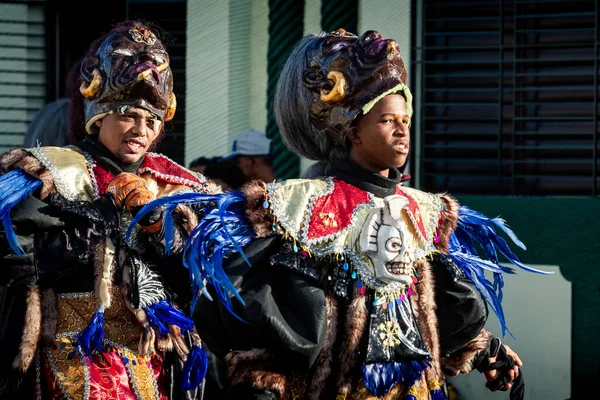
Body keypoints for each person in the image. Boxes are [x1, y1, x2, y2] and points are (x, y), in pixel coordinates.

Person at [136, 29, 551, 399]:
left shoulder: (423, 211)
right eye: (388, 120)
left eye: (405, 119)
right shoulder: (295, 209)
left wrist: (486, 350)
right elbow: (262, 311)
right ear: (352, 130)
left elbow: (443, 302)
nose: (403, 130)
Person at [0, 20, 221, 399]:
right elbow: (14, 257)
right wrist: (100, 215)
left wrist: (157, 227)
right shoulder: (51, 173)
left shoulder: (177, 187)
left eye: (151, 120)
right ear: (99, 117)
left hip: (152, 357)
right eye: (128, 115)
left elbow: (201, 282)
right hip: (69, 352)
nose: (141, 129)